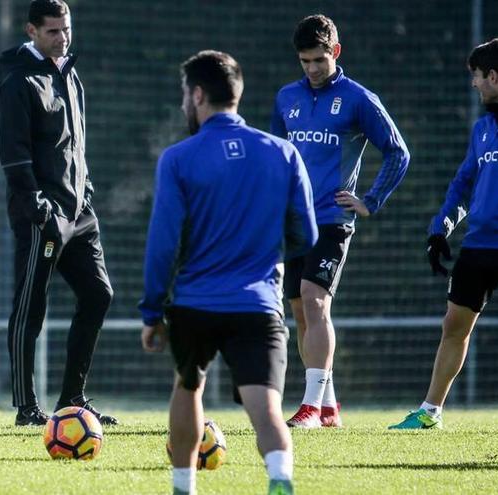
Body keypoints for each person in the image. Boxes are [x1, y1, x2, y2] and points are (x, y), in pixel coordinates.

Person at [141, 50, 318, 495]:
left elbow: (163, 244)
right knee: (266, 408)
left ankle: (184, 486)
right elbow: (307, 234)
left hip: (195, 302)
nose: (185, 102)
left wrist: (151, 311)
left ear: (198, 94)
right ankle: (279, 478)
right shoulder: (283, 152)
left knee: (188, 387)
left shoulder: (178, 158)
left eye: (186, 93)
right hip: (258, 302)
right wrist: (267, 255)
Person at [271, 14, 410, 428]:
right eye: (304, 61)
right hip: (294, 221)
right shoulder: (286, 98)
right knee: (299, 309)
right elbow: (279, 156)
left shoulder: (358, 99)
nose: (312, 69)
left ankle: (310, 407)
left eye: (318, 59)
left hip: (333, 219)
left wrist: (370, 199)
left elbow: (397, 151)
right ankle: (328, 406)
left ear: (336, 52)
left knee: (315, 300)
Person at [390, 37, 498, 430]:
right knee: (454, 325)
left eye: (478, 77)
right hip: (479, 245)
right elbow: (464, 184)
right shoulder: (483, 128)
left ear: (495, 76)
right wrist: (440, 230)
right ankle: (430, 412)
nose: (474, 85)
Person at [0, 0, 116, 427]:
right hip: (42, 214)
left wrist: (85, 188)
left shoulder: (70, 72)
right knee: (31, 306)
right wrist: (37, 206)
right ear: (31, 31)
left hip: (79, 211)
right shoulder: (17, 80)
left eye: (66, 29)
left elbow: (74, 144)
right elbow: (13, 153)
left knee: (99, 295)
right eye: (52, 31)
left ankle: (73, 399)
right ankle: (27, 407)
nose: (62, 38)